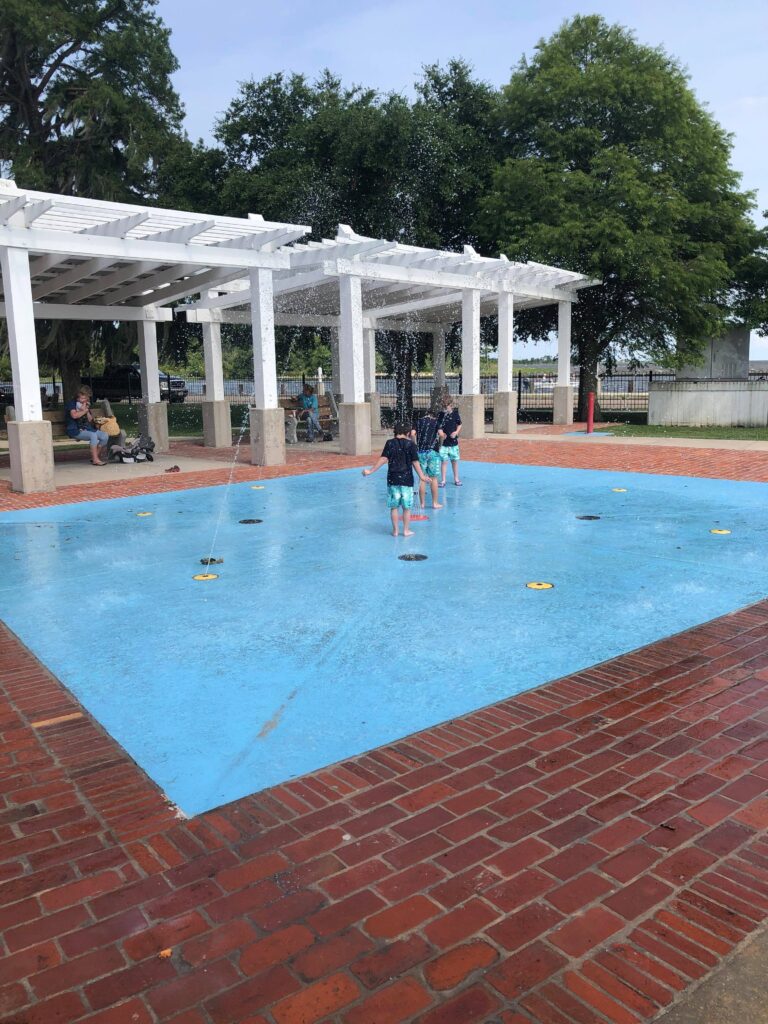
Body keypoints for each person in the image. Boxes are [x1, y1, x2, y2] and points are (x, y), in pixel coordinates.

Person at [362, 423, 427, 537]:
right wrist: (421, 476)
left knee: (394, 507)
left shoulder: (389, 443)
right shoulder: (410, 444)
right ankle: (406, 531)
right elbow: (415, 462)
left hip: (393, 479)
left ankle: (395, 531)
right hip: (407, 480)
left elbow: (383, 459)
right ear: (407, 433)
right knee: (407, 508)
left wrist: (371, 471)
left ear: (395, 432)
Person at [64, 385, 109, 465]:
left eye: (86, 398)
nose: (83, 400)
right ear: (78, 395)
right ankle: (96, 460)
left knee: (104, 436)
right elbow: (74, 415)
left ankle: (94, 456)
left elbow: (90, 420)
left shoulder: (86, 404)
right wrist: (83, 411)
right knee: (93, 435)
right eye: (82, 398)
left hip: (87, 428)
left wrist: (87, 410)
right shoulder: (72, 403)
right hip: (74, 430)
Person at [410, 406, 444, 510]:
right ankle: (435, 503)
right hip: (433, 452)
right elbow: (441, 434)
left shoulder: (418, 422)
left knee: (423, 478)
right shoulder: (435, 422)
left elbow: (412, 434)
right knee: (433, 478)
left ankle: (422, 504)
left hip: (420, 452)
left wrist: (415, 445)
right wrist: (440, 445)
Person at [436, 396, 462, 486]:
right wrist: (441, 433)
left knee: (454, 461)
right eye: (443, 406)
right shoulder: (441, 415)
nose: (444, 408)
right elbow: (438, 426)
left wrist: (456, 432)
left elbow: (459, 424)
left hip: (453, 443)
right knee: (444, 462)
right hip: (444, 444)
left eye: (446, 406)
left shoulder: (455, 414)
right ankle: (443, 480)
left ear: (451, 405)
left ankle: (456, 478)